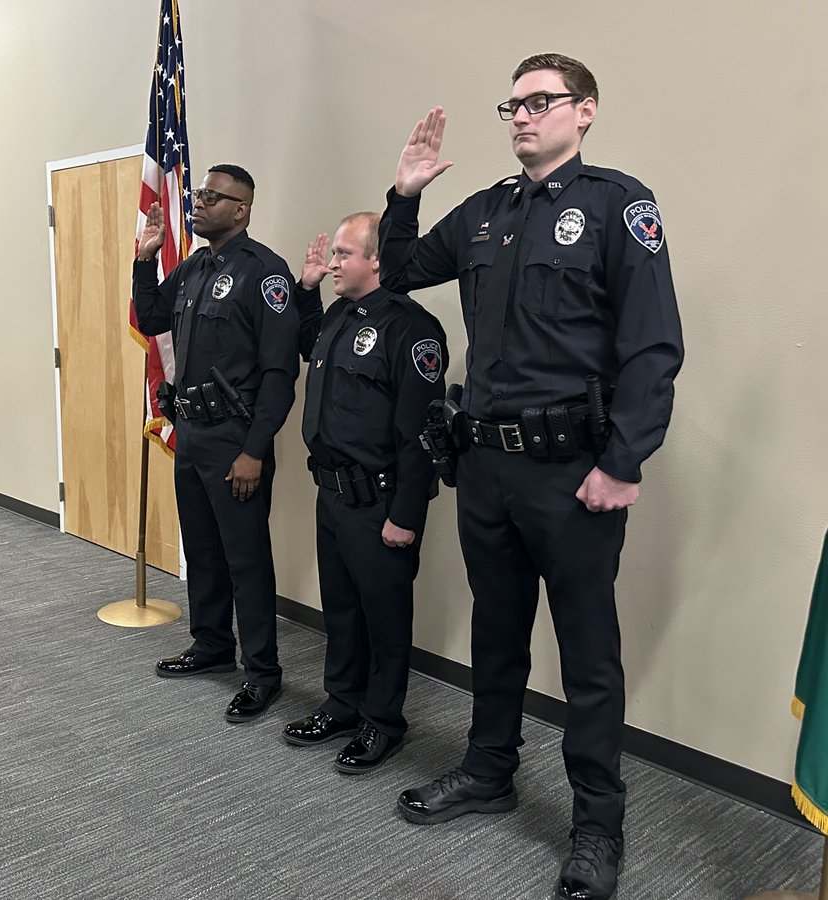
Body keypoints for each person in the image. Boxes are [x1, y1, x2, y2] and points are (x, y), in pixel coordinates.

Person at [378, 55, 683, 900]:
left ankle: (597, 826)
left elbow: (654, 348)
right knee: (496, 633)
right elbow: (400, 272)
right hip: (485, 467)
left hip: (573, 474)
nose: (521, 115)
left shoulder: (620, 206)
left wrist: (624, 463)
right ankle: (488, 771)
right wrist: (404, 197)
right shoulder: (482, 214)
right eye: (512, 103)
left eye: (540, 101)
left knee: (588, 657)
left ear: (584, 112)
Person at [132, 164, 307, 723]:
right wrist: (145, 258)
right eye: (199, 193)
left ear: (241, 209)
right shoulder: (193, 268)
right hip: (193, 432)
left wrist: (255, 449)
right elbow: (152, 314)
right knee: (202, 549)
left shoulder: (266, 273)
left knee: (246, 560)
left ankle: (262, 672)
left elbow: (280, 373)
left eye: (212, 196)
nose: (198, 202)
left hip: (237, 439)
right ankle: (211, 645)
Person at [281, 213, 447, 773]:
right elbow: (308, 346)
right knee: (343, 610)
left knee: (384, 618)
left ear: (377, 260)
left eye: (344, 255)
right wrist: (305, 289)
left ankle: (383, 722)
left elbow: (420, 433)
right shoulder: (336, 315)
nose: (333, 264)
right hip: (332, 495)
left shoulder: (411, 329)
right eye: (335, 256)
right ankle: (343, 703)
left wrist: (406, 515)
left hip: (380, 503)